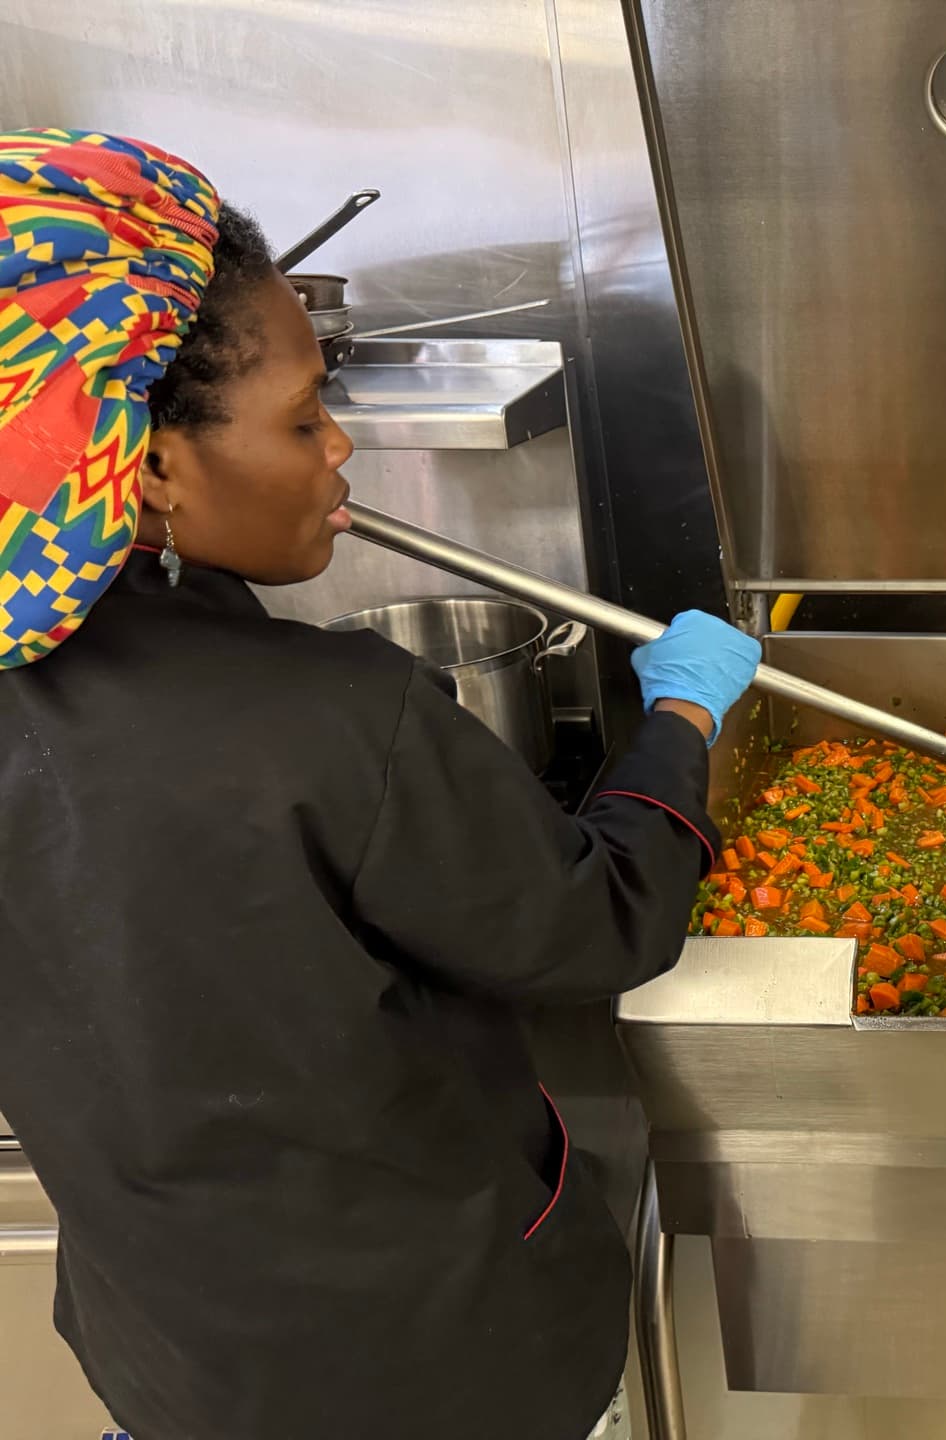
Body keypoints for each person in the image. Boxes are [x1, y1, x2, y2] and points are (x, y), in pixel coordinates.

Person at [0, 129, 761, 1440]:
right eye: (302, 419)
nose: (337, 450)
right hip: (431, 1371)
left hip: (177, 1368)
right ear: (152, 464)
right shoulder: (337, 721)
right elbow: (600, 922)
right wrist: (682, 714)